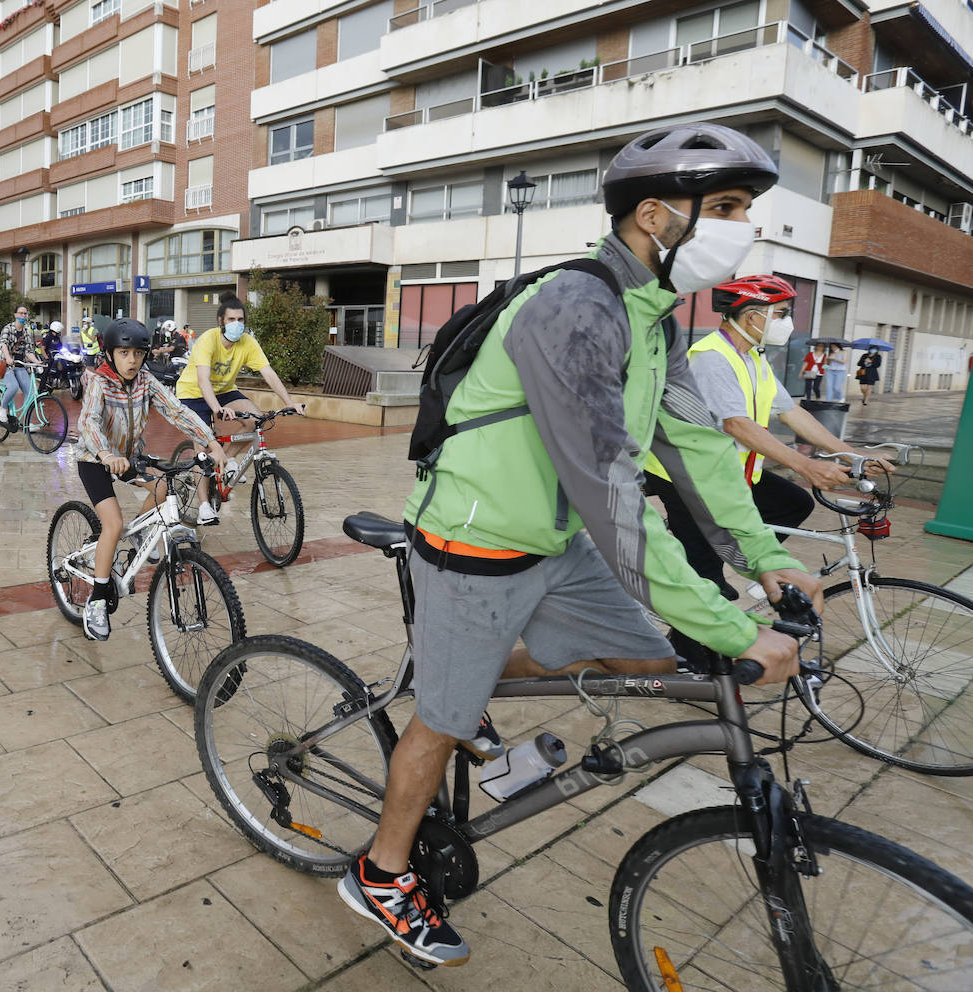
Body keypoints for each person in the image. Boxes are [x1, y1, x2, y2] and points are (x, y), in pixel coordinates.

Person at [336, 123, 822, 968]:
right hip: (475, 542)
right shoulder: (574, 309)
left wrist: (763, 556)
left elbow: (696, 451)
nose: (747, 226)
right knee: (442, 720)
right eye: (731, 207)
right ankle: (380, 873)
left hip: (555, 539)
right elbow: (609, 490)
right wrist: (738, 628)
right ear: (655, 216)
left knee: (650, 656)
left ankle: (469, 673)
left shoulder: (654, 320)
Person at [642, 275, 892, 604]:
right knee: (709, 587)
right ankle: (692, 646)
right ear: (752, 316)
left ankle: (760, 567)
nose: (787, 322)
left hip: (728, 472)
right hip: (687, 475)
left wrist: (850, 454)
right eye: (781, 314)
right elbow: (737, 424)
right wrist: (805, 465)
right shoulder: (712, 357)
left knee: (793, 503)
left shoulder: (753, 358)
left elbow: (791, 412)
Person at [73, 318, 227, 641]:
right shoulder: (99, 382)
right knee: (112, 524)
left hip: (129, 458)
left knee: (161, 486)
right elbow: (88, 423)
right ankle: (97, 600)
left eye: (138, 354)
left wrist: (211, 442)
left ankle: (137, 538)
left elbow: (176, 410)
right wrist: (105, 455)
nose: (132, 360)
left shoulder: (146, 381)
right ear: (111, 353)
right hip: (96, 460)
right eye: (124, 353)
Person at [174, 296, 306, 525]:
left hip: (225, 390)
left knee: (257, 419)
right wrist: (217, 409)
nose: (237, 323)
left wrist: (289, 402)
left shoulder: (248, 342)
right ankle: (204, 506)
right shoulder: (208, 340)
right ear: (221, 321)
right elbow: (203, 379)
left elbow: (269, 373)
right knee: (203, 448)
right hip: (192, 393)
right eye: (232, 319)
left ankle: (227, 459)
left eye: (241, 319)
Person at [0, 305, 39, 431]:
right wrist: (8, 357)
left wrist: (37, 362)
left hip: (20, 365)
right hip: (5, 364)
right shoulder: (8, 328)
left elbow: (28, 351)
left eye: (25, 314)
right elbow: (3, 344)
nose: (23, 316)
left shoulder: (26, 332)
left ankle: (28, 422)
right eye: (21, 313)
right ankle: (2, 408)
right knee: (13, 387)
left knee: (30, 392)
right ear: (15, 315)